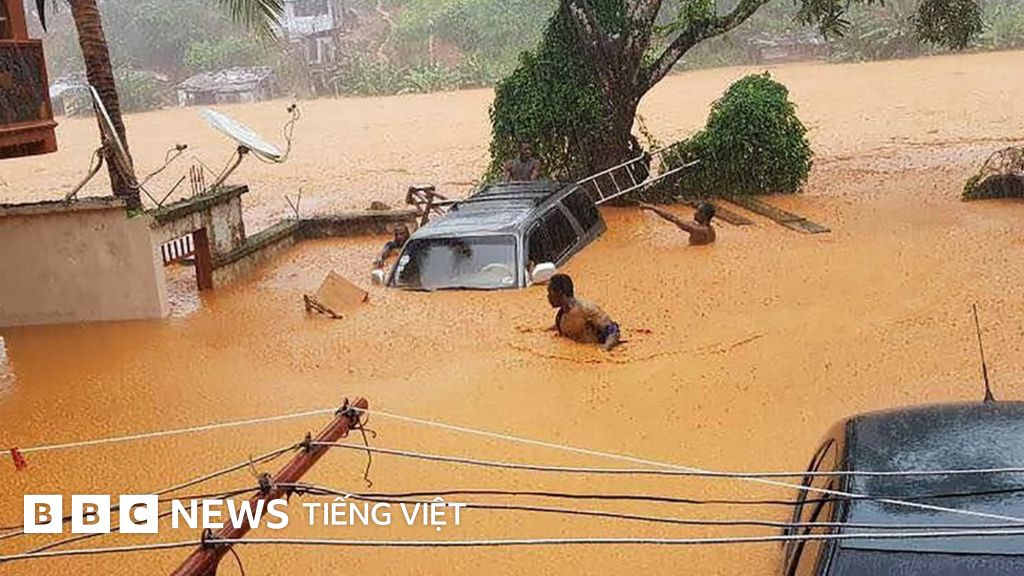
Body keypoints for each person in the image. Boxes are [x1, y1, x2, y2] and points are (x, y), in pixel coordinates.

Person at [547, 273, 620, 351]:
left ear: (560, 292)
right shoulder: (560, 316)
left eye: (550, 292)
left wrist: (606, 348)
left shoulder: (587, 309)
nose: (548, 296)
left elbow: (613, 330)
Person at [639, 202, 717, 246]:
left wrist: (652, 207)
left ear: (703, 215)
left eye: (698, 211)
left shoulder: (697, 229)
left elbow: (673, 218)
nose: (695, 213)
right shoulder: (712, 230)